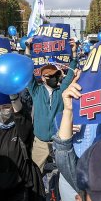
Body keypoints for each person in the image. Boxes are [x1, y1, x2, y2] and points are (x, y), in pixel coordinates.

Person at [25, 40, 78, 172]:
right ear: (43, 78)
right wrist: (28, 49)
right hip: (40, 142)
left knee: (65, 173)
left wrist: (74, 53)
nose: (54, 77)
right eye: (50, 76)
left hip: (59, 142)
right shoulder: (36, 91)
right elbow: (27, 70)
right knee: (35, 172)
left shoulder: (62, 90)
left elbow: (70, 73)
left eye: (56, 75)